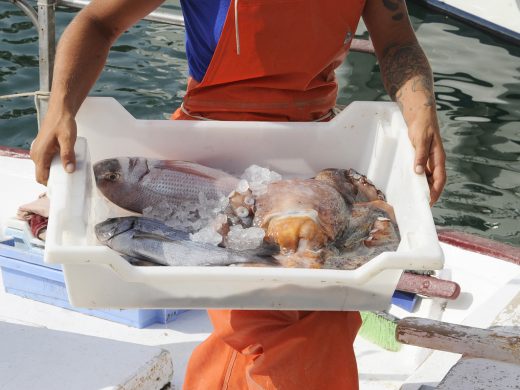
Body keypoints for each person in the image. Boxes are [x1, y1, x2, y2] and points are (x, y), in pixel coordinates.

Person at [30, 0, 446, 388]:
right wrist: (60, 110)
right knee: (292, 326)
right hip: (214, 154)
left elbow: (397, 43)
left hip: (314, 145)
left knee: (314, 312)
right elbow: (97, 22)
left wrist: (422, 114)